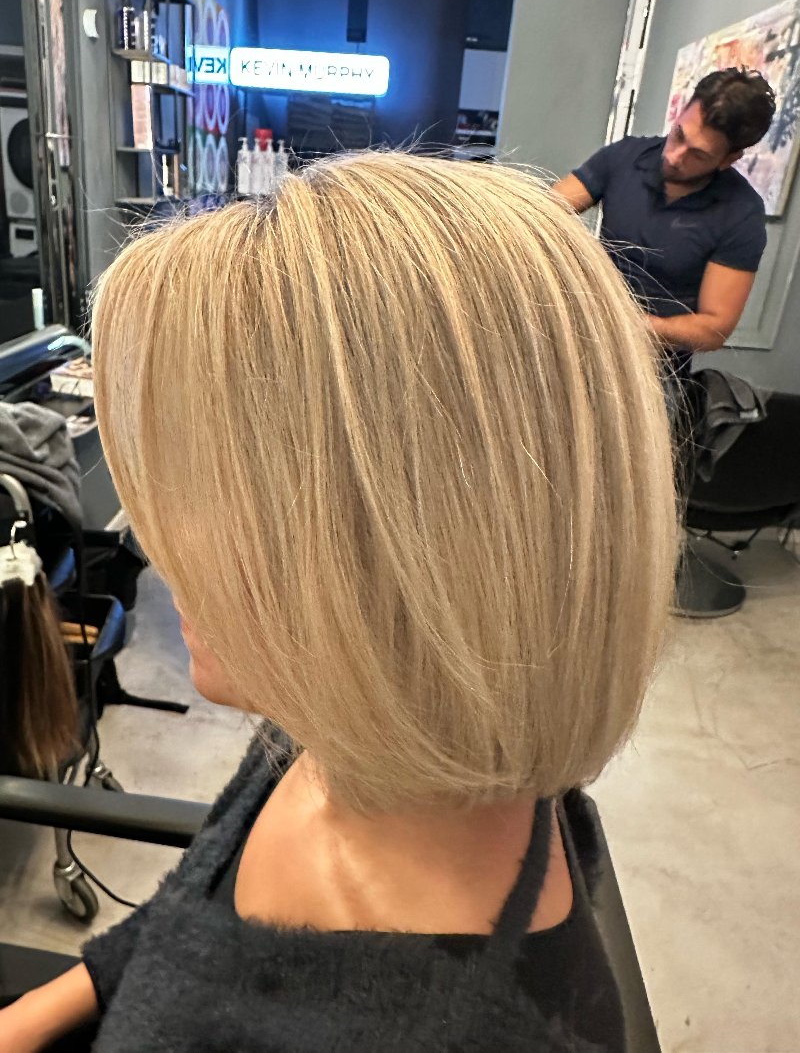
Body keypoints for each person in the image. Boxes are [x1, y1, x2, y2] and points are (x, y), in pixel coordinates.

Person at [0, 151, 677, 1052]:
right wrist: (31, 1017)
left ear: (408, 560)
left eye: (226, 493)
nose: (164, 551)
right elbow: (184, 918)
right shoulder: (345, 741)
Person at [553, 67, 776, 380]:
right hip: (583, 342)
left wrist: (630, 326)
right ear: (681, 112)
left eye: (698, 154)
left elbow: (713, 328)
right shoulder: (624, 157)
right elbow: (545, 211)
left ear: (729, 159)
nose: (674, 157)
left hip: (656, 369)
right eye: (679, 135)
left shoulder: (741, 213)